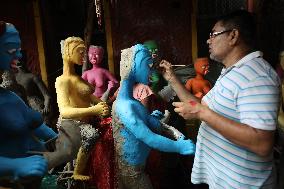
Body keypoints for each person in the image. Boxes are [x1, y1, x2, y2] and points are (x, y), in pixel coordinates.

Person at [159, 10, 280, 189]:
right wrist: (173, 80)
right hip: (223, 180)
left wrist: (202, 113)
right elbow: (200, 106)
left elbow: (262, 143)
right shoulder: (231, 72)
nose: (208, 40)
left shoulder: (256, 76)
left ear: (233, 36)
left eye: (213, 34)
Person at [111, 44, 195, 189]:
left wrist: (154, 119)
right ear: (134, 66)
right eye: (148, 64)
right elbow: (148, 137)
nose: (151, 69)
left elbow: (148, 124)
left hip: (138, 168)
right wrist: (178, 146)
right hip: (132, 173)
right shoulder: (125, 107)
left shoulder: (133, 104)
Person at [43, 37, 110, 181]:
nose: (84, 56)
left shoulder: (78, 77)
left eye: (84, 52)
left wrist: (102, 105)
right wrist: (93, 110)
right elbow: (65, 111)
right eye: (80, 52)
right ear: (68, 52)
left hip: (88, 118)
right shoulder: (62, 81)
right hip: (73, 123)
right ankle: (77, 171)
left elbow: (89, 97)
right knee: (92, 135)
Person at [0, 21, 57, 188]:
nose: (18, 57)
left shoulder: (11, 96)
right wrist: (17, 165)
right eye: (11, 49)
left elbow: (33, 124)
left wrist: (56, 137)